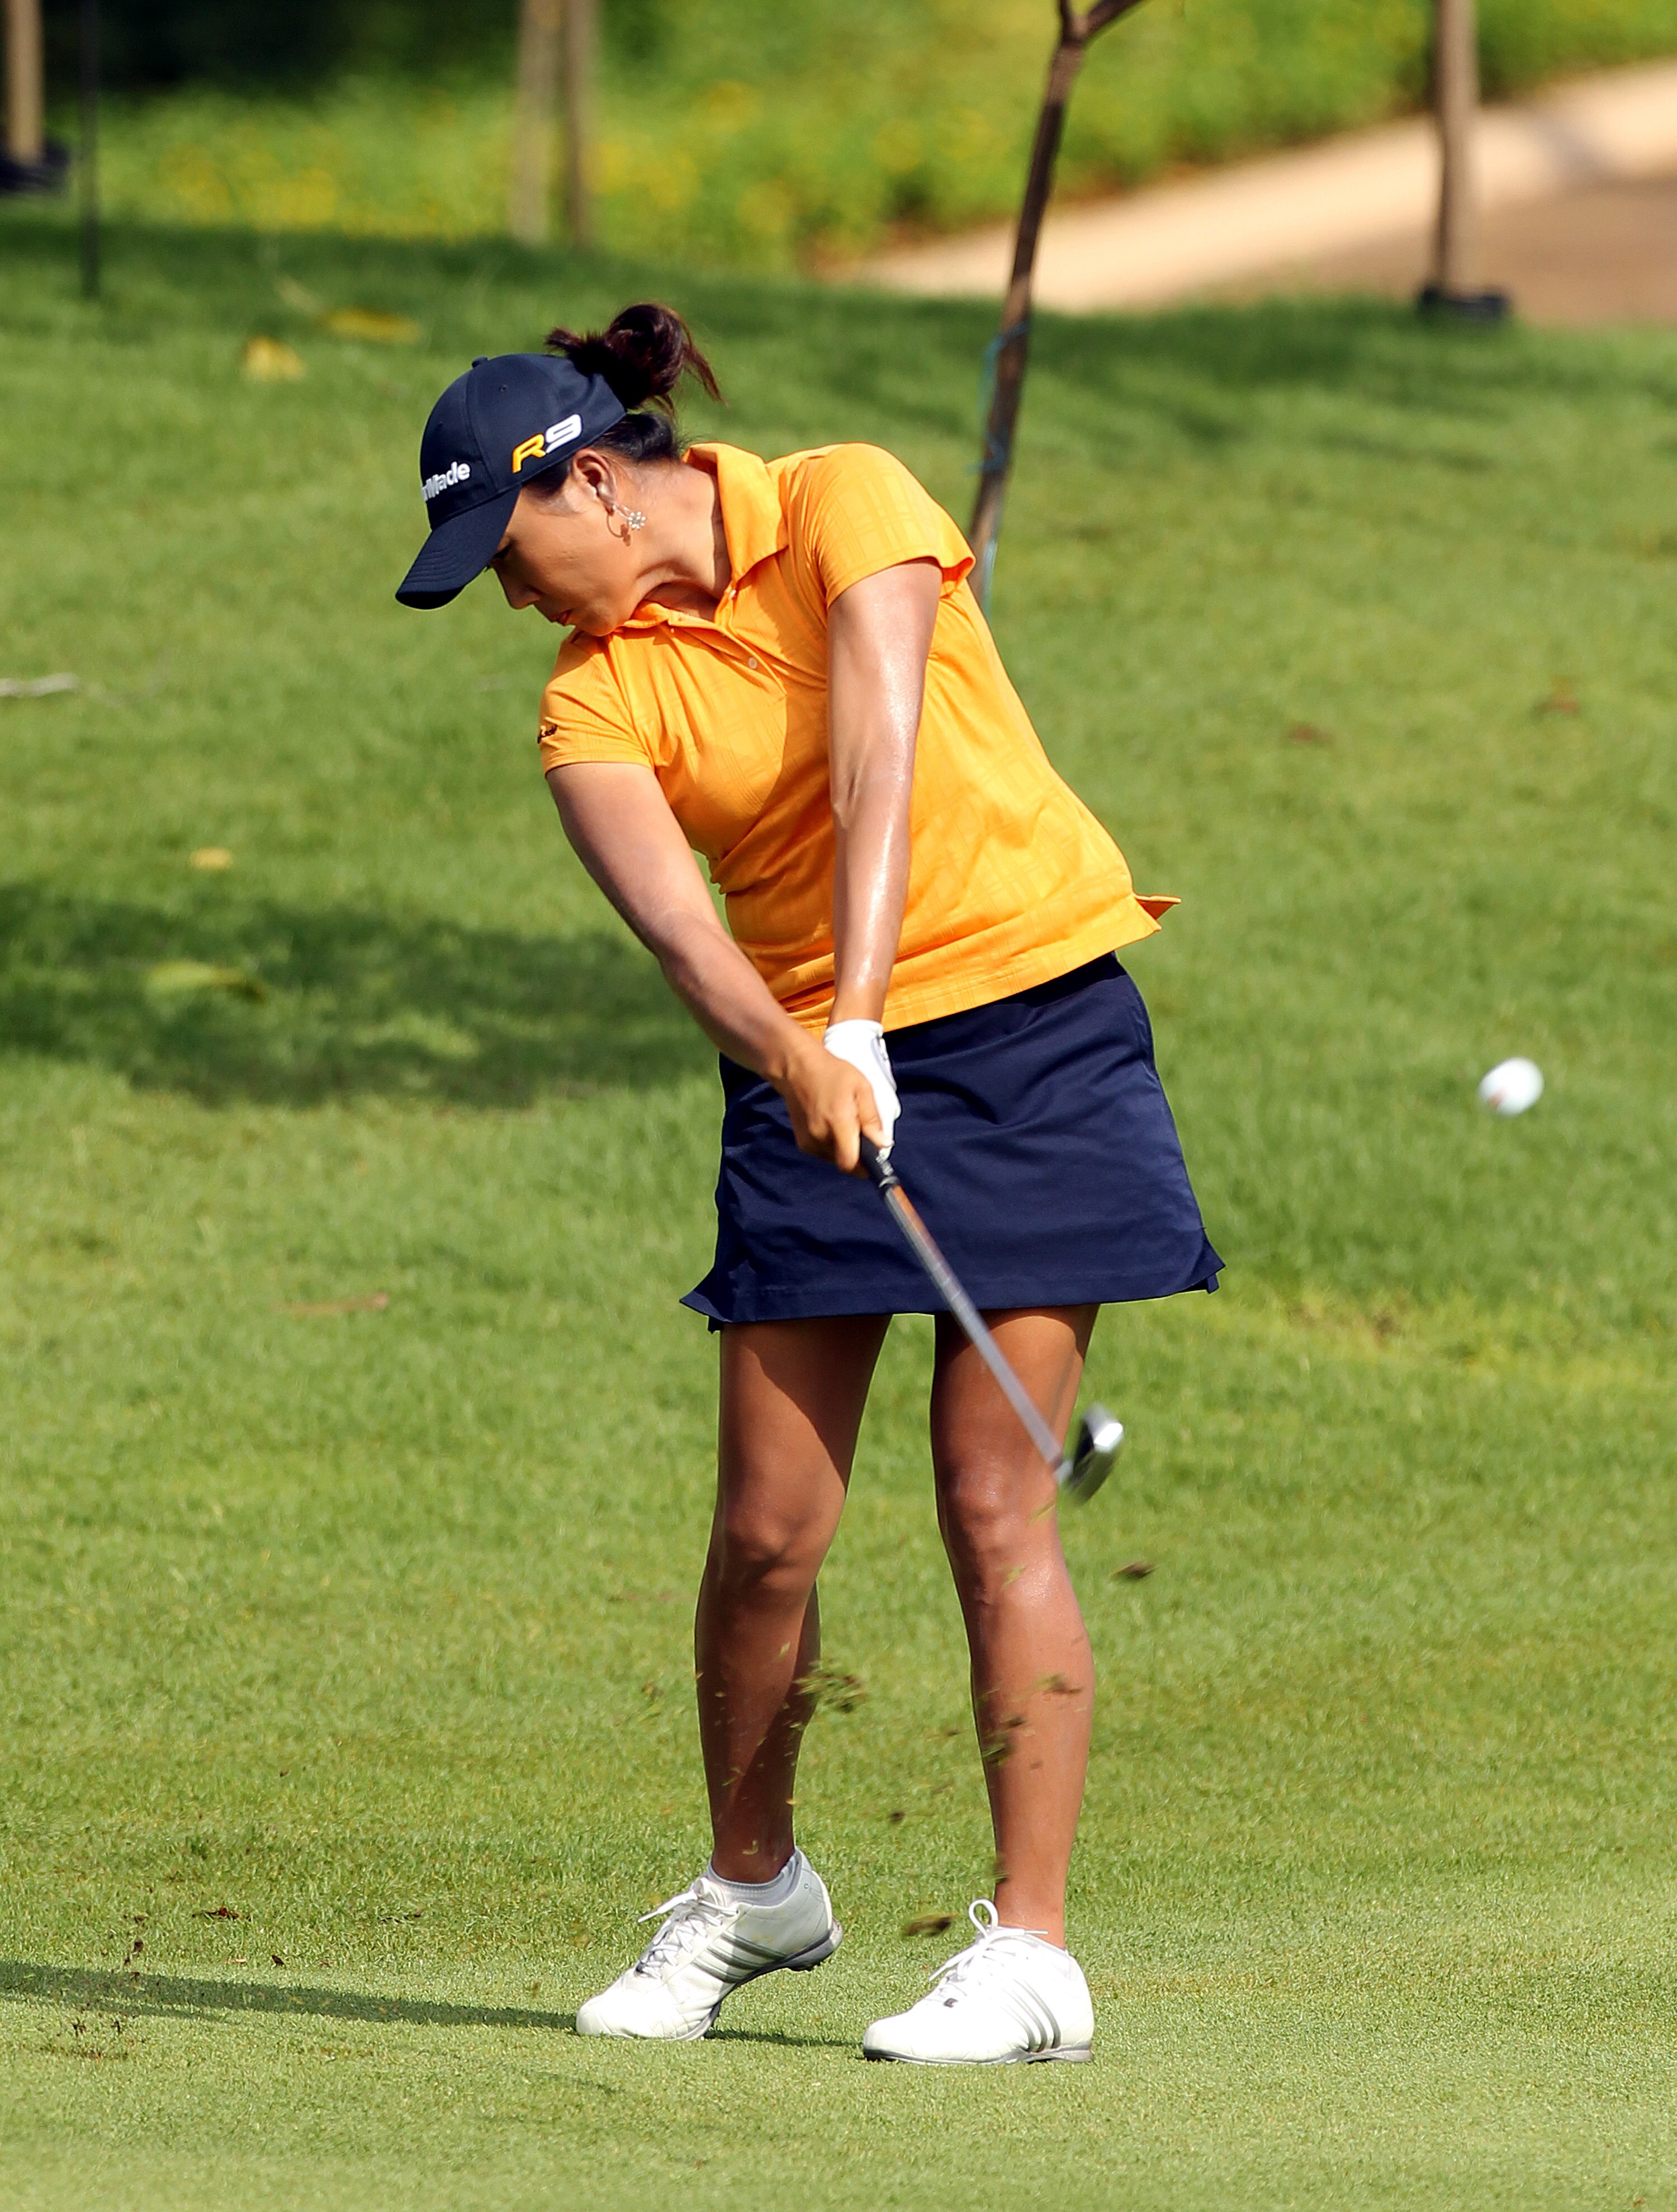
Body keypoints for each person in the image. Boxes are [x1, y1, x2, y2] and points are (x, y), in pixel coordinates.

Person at [396, 303, 1221, 2066]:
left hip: (1029, 1024)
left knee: (992, 1489)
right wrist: (803, 1052)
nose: (513, 597)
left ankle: (1034, 1953)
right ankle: (755, 1886)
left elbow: (879, 748)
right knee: (769, 1530)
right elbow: (683, 935)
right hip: (800, 1069)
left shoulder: (848, 496)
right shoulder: (590, 696)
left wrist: (861, 1013)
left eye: (511, 553)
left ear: (594, 484)